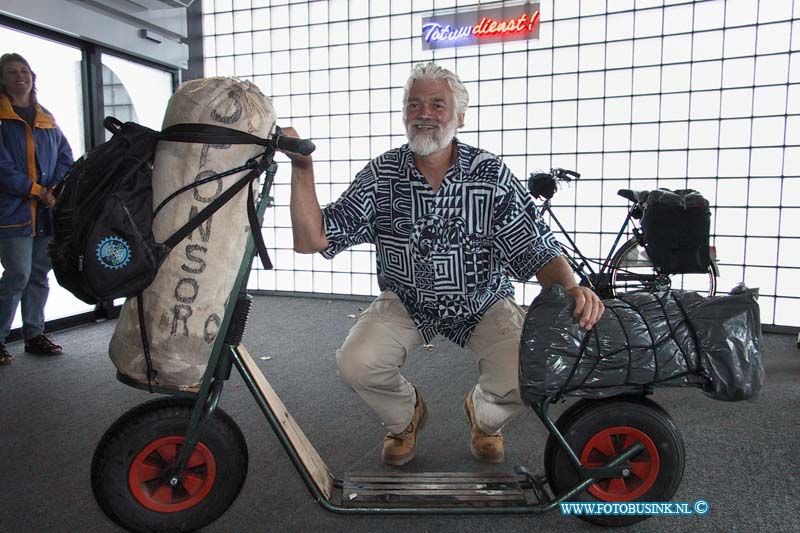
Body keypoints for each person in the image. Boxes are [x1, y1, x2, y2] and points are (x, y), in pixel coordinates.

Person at [283, 62, 604, 466]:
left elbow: (537, 248)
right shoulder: (383, 173)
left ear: (459, 117)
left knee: (528, 374)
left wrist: (571, 289)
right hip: (407, 300)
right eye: (414, 104)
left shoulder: (489, 174)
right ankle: (405, 418)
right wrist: (301, 166)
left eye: (438, 104)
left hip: (482, 301)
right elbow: (312, 239)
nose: (424, 113)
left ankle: (484, 418)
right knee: (355, 363)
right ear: (404, 114)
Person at [0, 53, 73, 365]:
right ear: (2, 80)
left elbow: (65, 157)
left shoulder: (46, 118)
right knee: (17, 274)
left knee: (40, 274)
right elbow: (1, 167)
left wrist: (54, 190)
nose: (21, 76)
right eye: (13, 72)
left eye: (25, 71)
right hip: (11, 213)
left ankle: (34, 334)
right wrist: (35, 190)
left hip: (44, 212)